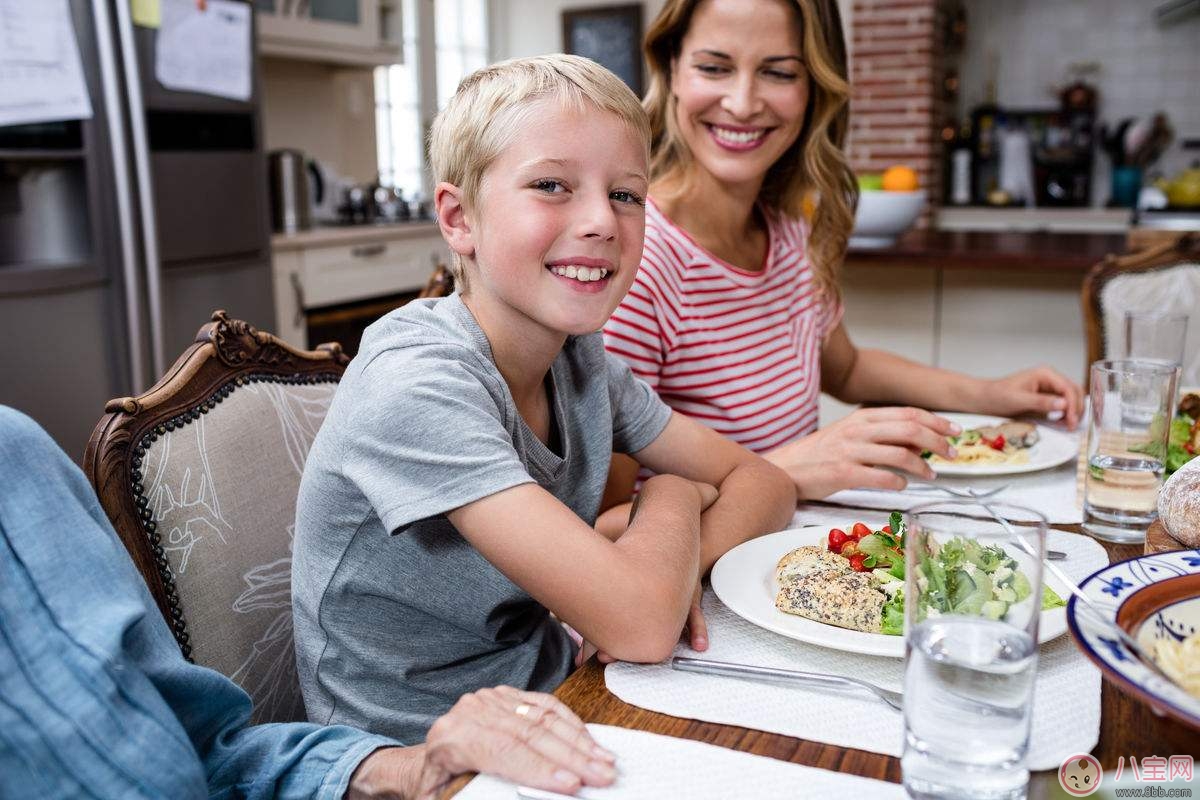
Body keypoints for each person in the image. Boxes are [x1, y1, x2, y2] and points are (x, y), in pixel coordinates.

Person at [291, 54, 796, 745]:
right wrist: (673, 492)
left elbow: (765, 481)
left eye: (626, 194)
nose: (600, 221)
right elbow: (644, 624)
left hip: (559, 689)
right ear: (459, 217)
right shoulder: (418, 384)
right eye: (552, 185)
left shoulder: (579, 361)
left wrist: (662, 582)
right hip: (422, 752)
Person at [599, 0, 1084, 516]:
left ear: (815, 90)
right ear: (673, 69)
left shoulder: (787, 230)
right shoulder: (639, 259)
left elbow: (847, 369)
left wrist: (992, 394)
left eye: (779, 72)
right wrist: (779, 475)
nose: (741, 102)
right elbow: (604, 525)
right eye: (714, 67)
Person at [0, 406, 616, 800]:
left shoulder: (15, 456)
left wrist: (415, 768)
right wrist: (670, 493)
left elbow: (212, 753)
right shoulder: (416, 387)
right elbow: (633, 616)